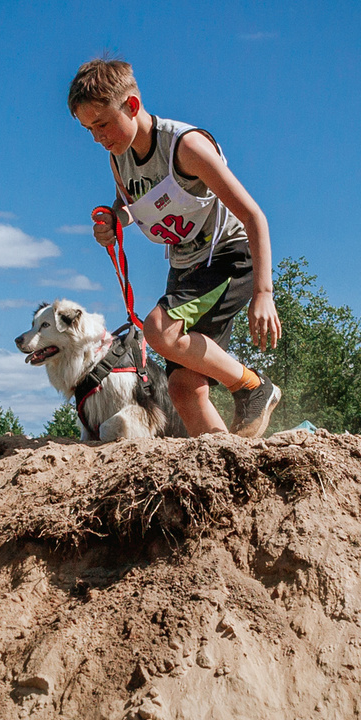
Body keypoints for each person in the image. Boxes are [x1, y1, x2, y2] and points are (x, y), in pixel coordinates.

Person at [72, 56, 283, 438]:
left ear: (131, 105)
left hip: (228, 255)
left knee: (159, 330)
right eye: (89, 129)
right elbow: (131, 204)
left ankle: (252, 386)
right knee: (184, 390)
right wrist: (115, 220)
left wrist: (263, 293)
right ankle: (226, 461)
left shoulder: (187, 147)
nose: (98, 137)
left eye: (101, 124)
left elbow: (254, 216)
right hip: (186, 265)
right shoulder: (118, 160)